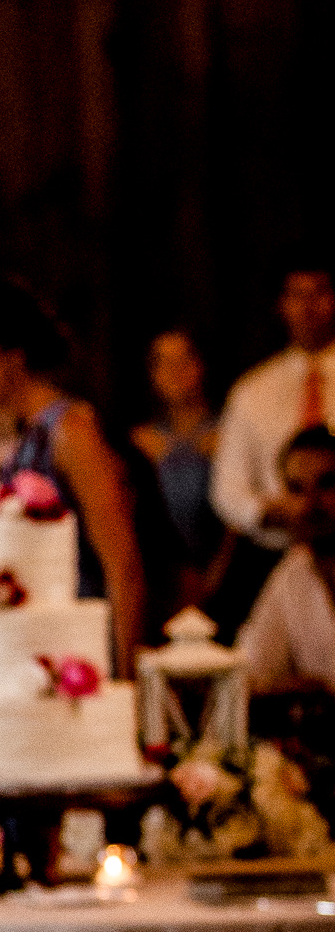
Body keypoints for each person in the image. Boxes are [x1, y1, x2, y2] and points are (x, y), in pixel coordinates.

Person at [0, 275, 146, 675]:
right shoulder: (8, 437)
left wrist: (124, 679)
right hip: (24, 656)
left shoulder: (70, 430)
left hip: (81, 657)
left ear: (13, 354)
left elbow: (123, 565)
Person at [211, 263, 335, 544]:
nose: (308, 306)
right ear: (280, 305)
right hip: (277, 550)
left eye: (319, 292)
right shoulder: (252, 390)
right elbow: (227, 488)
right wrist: (270, 512)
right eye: (297, 295)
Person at [128, 324, 231, 614]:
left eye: (184, 361)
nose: (174, 372)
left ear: (202, 365)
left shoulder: (227, 434)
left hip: (220, 576)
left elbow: (236, 522)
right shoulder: (141, 441)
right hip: (157, 580)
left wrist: (215, 576)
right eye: (163, 363)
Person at [235, 426, 335, 688]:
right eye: (296, 489)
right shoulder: (294, 573)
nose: (310, 504)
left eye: (327, 484)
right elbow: (250, 671)